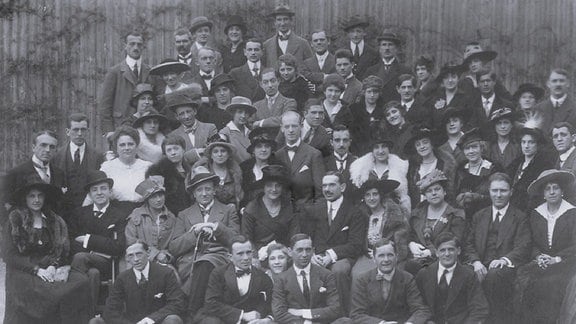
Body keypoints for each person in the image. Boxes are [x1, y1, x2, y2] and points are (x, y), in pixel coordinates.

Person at [3, 178, 91, 324]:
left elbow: (61, 250)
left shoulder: (55, 220)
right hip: (23, 269)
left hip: (49, 266)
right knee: (50, 291)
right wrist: (36, 270)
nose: (36, 200)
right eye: (32, 196)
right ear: (25, 198)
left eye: (40, 195)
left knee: (80, 281)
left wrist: (53, 266)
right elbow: (9, 255)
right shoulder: (15, 220)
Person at [168, 166, 240, 317]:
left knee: (205, 263)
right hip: (190, 262)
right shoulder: (184, 214)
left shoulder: (228, 210)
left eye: (208, 189)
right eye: (199, 190)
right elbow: (174, 247)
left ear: (214, 190)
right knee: (201, 266)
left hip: (219, 258)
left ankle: (191, 313)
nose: (204, 193)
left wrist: (215, 228)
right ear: (194, 194)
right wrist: (195, 233)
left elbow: (236, 240)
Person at [463, 173, 531, 324]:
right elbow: (468, 244)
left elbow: (523, 246)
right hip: (480, 263)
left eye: (503, 191)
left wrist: (504, 260)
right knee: (462, 273)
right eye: (495, 191)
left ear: (511, 192)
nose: (498, 195)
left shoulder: (520, 217)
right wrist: (475, 262)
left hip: (505, 267)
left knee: (494, 276)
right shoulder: (479, 216)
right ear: (489, 191)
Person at [515, 169, 576, 324]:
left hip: (566, 264)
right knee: (524, 280)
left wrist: (556, 259)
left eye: (555, 188)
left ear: (562, 191)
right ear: (543, 194)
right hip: (541, 263)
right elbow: (532, 242)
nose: (552, 192)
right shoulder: (536, 214)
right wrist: (538, 257)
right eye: (547, 189)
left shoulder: (572, 213)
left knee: (550, 284)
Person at [301, 172, 367, 312]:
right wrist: (312, 254)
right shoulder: (315, 209)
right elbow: (308, 237)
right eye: (324, 185)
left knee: (339, 270)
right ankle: (314, 313)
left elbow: (355, 245)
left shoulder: (354, 211)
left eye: (332, 185)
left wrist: (330, 255)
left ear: (342, 187)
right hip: (318, 255)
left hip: (343, 256)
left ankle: (342, 313)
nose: (327, 189)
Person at [69, 170, 129, 313]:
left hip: (107, 263)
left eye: (103, 188)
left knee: (80, 257)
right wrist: (103, 244)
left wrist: (88, 239)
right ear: (89, 194)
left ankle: (73, 310)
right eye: (94, 190)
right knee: (93, 274)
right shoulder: (80, 213)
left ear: (110, 191)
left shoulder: (119, 215)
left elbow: (118, 247)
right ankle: (90, 314)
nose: (99, 193)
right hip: (87, 266)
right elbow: (71, 241)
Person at [97, 242, 185, 324]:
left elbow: (177, 303)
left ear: (148, 253)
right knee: (96, 321)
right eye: (131, 256)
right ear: (127, 259)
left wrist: (152, 319)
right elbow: (110, 310)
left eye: (139, 254)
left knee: (173, 319)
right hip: (132, 322)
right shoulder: (122, 278)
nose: (136, 259)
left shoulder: (165, 273)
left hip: (157, 321)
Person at [349, 238, 431, 324]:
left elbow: (420, 309)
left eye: (390, 255)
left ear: (396, 257)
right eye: (381, 256)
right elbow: (357, 314)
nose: (386, 260)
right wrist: (381, 323)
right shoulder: (363, 280)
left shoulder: (407, 278)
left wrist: (409, 323)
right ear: (374, 259)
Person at [197, 235, 275, 324]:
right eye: (240, 254)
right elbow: (211, 303)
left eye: (248, 252)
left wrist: (268, 319)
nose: (246, 258)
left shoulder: (263, 277)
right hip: (223, 320)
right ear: (230, 257)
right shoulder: (219, 274)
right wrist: (241, 315)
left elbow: (272, 304)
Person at [271, 234, 347, 323]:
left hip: (321, 322)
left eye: (308, 250)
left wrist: (305, 313)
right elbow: (279, 313)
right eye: (299, 250)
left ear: (313, 251)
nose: (304, 254)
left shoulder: (326, 275)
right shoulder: (282, 279)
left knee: (346, 321)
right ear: (290, 252)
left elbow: (335, 309)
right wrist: (306, 323)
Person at [415, 232, 489, 324]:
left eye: (451, 249)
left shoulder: (469, 275)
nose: (447, 254)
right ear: (436, 253)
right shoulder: (424, 274)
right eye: (442, 250)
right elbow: (418, 305)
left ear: (458, 251)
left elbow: (479, 309)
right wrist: (427, 321)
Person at [406, 170, 466, 275]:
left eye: (437, 189)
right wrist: (411, 244)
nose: (434, 193)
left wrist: (431, 252)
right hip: (418, 260)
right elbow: (410, 235)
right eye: (429, 191)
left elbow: (456, 241)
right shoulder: (417, 214)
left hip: (445, 259)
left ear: (444, 192)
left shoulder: (455, 215)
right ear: (425, 195)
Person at [350, 179, 409, 278]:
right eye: (367, 195)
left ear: (381, 195)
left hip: (389, 255)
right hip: (368, 255)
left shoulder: (394, 216)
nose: (371, 198)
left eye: (375, 194)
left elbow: (401, 242)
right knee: (357, 275)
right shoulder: (361, 216)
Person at [3, 130, 66, 222]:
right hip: (24, 229)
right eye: (43, 145)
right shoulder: (16, 173)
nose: (48, 150)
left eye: (52, 147)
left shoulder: (59, 173)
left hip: (51, 229)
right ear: (33, 147)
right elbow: (5, 205)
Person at [100, 31, 152, 137]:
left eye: (139, 44)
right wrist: (109, 130)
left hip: (145, 126)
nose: (135, 47)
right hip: (120, 126)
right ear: (125, 46)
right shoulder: (114, 72)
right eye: (132, 44)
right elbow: (105, 105)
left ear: (143, 47)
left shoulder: (150, 71)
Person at [52, 113, 104, 215]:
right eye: (75, 129)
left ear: (88, 131)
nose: (79, 133)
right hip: (63, 211)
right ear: (68, 131)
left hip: (89, 210)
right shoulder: (56, 156)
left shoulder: (98, 156)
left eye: (83, 130)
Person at [125, 176, 180, 268]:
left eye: (161, 195)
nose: (158, 200)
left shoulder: (171, 218)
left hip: (163, 261)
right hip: (137, 259)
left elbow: (174, 244)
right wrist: (155, 254)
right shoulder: (137, 214)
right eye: (154, 197)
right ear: (147, 199)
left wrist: (166, 256)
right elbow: (130, 240)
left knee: (171, 274)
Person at [349, 130, 411, 211]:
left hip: (392, 211)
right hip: (367, 211)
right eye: (376, 147)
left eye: (384, 146)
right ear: (372, 150)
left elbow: (402, 197)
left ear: (389, 148)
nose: (380, 151)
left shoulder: (399, 168)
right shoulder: (362, 170)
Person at [275, 110, 326, 208]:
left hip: (306, 214)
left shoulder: (314, 154)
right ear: (282, 128)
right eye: (287, 126)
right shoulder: (277, 155)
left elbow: (320, 193)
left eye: (294, 126)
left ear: (301, 126)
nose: (290, 130)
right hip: (282, 213)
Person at [242, 165, 299, 250]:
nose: (274, 189)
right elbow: (247, 240)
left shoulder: (290, 207)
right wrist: (255, 258)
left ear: (282, 187)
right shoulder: (251, 209)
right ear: (263, 187)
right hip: (259, 257)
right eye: (269, 185)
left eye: (278, 185)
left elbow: (294, 237)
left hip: (284, 255)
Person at [99, 126, 152, 207]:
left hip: (143, 212)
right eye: (122, 145)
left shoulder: (147, 167)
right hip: (116, 212)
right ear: (116, 147)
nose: (126, 148)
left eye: (130, 144)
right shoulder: (107, 167)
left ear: (136, 146)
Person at [454, 128, 501, 218]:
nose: (471, 151)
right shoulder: (460, 171)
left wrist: (480, 197)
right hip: (465, 218)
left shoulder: (493, 169)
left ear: (481, 148)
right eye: (467, 148)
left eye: (474, 147)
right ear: (464, 151)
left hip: (488, 216)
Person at [405, 127, 457, 207]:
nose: (422, 147)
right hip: (420, 212)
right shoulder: (413, 169)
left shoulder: (444, 165)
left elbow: (451, 193)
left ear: (432, 144)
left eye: (425, 142)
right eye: (418, 145)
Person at [507, 127, 555, 211]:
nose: (526, 146)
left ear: (537, 144)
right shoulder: (515, 164)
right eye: (523, 142)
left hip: (531, 209)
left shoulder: (544, 166)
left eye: (531, 142)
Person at [146, 135, 192, 215]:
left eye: (176, 148)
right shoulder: (157, 171)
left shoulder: (189, 170)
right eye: (169, 150)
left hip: (188, 213)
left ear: (183, 150)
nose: (173, 153)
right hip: (167, 214)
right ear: (165, 153)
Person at [192, 137, 244, 206]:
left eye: (223, 151)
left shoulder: (235, 173)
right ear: (211, 155)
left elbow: (238, 196)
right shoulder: (202, 172)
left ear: (228, 154)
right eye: (215, 151)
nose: (220, 155)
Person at [239, 128, 283, 206]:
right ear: (253, 150)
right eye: (259, 146)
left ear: (271, 148)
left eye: (267, 146)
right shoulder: (244, 168)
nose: (263, 150)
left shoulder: (279, 167)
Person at [262, 5, 313, 70]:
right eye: (279, 20)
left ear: (291, 21)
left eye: (285, 19)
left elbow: (310, 67)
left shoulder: (303, 43)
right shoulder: (267, 45)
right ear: (275, 22)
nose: (282, 23)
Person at [366, 32, 411, 104]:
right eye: (384, 45)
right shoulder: (371, 71)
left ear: (396, 48)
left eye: (390, 45)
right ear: (380, 49)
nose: (387, 48)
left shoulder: (405, 71)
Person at [426, 61, 471, 131]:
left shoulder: (465, 99)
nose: (450, 80)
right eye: (446, 77)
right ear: (442, 80)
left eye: (453, 77)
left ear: (458, 79)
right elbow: (430, 122)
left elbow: (468, 122)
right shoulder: (435, 98)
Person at [251, 68, 298, 134]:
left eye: (272, 81)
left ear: (278, 81)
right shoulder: (256, 106)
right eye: (265, 82)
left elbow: (286, 120)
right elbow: (251, 125)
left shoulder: (289, 102)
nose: (270, 85)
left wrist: (261, 123)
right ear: (261, 84)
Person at [349, 75, 386, 156]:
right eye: (369, 92)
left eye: (375, 92)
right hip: (357, 151)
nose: (372, 95)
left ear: (379, 93)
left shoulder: (384, 110)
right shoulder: (353, 109)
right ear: (364, 92)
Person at [534, 68, 576, 133]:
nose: (558, 84)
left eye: (561, 81)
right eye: (554, 81)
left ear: (568, 83)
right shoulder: (538, 109)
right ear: (548, 84)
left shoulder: (574, 108)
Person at [219, 96, 256, 163]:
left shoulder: (251, 133)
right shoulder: (225, 133)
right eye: (240, 112)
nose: (243, 116)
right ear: (233, 113)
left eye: (246, 113)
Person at [324, 124, 357, 194]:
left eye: (345, 140)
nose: (341, 144)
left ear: (350, 142)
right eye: (337, 140)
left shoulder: (357, 163)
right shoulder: (323, 163)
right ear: (331, 142)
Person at [301, 30, 336, 96]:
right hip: (312, 100)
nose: (318, 42)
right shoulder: (306, 63)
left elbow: (336, 79)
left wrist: (316, 88)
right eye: (315, 41)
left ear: (328, 42)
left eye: (322, 40)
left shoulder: (336, 61)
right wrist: (323, 76)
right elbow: (305, 77)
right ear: (311, 44)